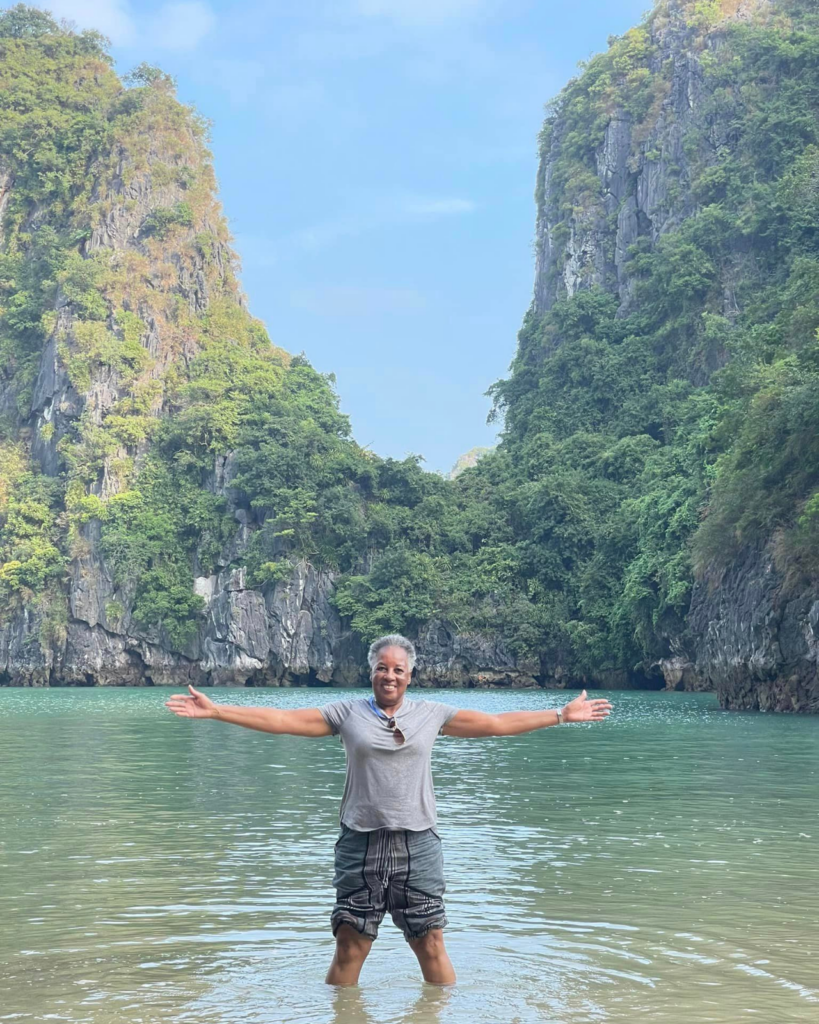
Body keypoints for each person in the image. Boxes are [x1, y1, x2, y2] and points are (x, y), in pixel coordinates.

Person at [165, 633, 612, 986]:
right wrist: (218, 711)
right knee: (350, 946)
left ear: (410, 676)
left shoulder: (431, 714)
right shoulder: (346, 713)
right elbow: (283, 720)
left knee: (431, 944)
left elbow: (495, 724)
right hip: (359, 843)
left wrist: (560, 714)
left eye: (398, 670)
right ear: (372, 673)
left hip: (418, 844)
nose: (390, 676)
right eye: (382, 668)